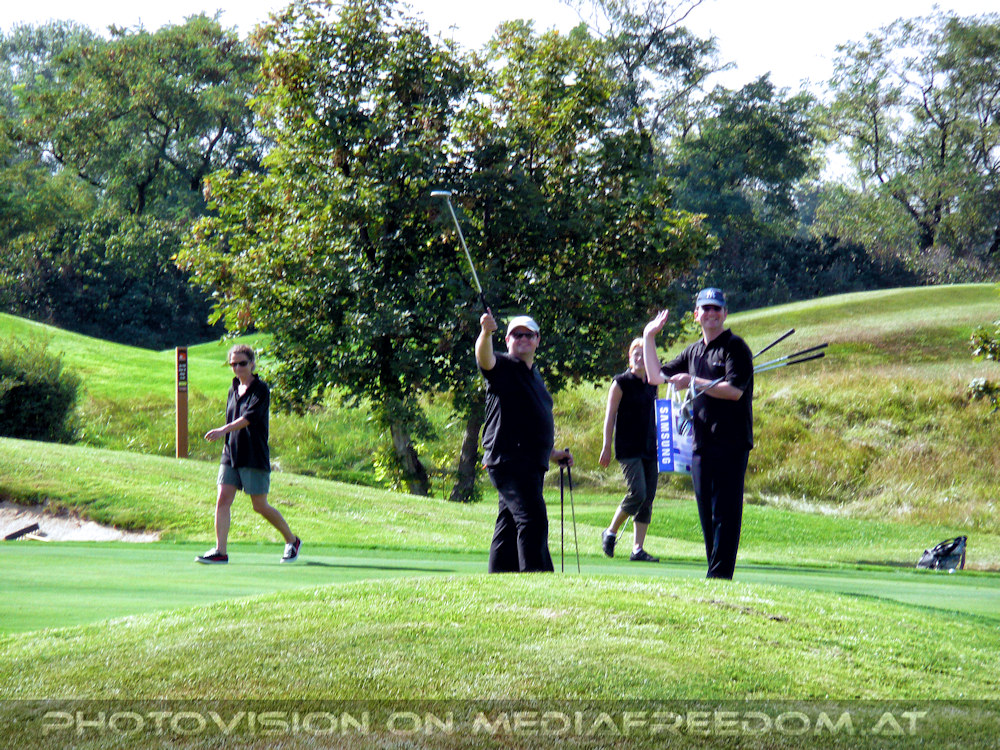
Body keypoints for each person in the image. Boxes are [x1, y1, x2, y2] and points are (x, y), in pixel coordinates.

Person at [642, 288, 753, 580]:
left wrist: (693, 381)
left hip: (732, 443)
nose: (711, 313)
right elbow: (655, 376)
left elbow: (734, 391)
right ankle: (714, 573)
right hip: (702, 444)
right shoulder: (693, 351)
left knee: (725, 513)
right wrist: (649, 337)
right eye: (706, 308)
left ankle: (719, 576)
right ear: (696, 315)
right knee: (707, 513)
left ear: (725, 313)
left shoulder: (735, 348)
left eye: (716, 308)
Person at [476, 310, 573, 573]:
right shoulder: (503, 366)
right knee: (532, 519)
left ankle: (501, 578)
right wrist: (486, 332)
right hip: (509, 460)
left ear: (538, 340)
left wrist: (553, 453)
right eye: (517, 335)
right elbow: (484, 359)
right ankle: (536, 577)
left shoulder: (535, 376)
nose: (523, 339)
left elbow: (530, 423)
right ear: (507, 340)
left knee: (508, 525)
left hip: (529, 462)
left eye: (529, 335)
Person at [196, 344, 301, 565]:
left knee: (259, 505)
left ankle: (292, 540)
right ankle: (220, 551)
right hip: (231, 454)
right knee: (222, 500)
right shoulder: (233, 389)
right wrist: (226, 439)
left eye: (242, 363)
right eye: (233, 364)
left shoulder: (260, 389)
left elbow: (248, 418)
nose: (237, 368)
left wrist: (223, 430)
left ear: (252, 364)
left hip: (253, 454)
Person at [598, 338, 660, 562]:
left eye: (644, 354)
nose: (640, 358)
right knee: (638, 493)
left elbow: (656, 413)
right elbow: (610, 416)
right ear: (630, 358)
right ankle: (610, 532)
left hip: (649, 447)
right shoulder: (620, 383)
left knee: (648, 498)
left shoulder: (653, 383)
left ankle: (637, 549)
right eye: (636, 354)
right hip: (628, 448)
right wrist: (606, 446)